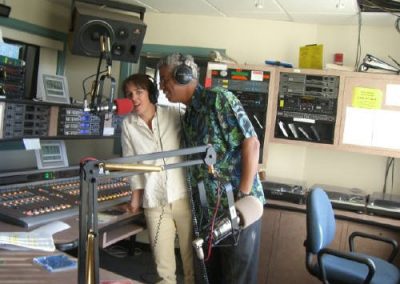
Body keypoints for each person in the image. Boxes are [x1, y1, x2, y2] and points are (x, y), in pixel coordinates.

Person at [157, 53, 266, 284]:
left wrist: (242, 199)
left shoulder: (218, 100)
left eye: (165, 79)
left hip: (237, 213)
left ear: (183, 75)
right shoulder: (188, 116)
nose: (161, 86)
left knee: (237, 279)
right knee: (211, 278)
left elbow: (251, 144)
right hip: (209, 215)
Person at [120, 73, 194, 284]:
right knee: (163, 267)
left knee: (191, 262)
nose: (134, 98)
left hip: (182, 196)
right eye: (129, 94)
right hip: (154, 201)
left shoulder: (174, 113)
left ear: (150, 93)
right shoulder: (128, 125)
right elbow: (131, 165)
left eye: (139, 92)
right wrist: (135, 200)